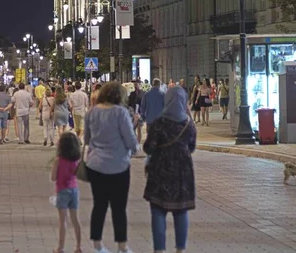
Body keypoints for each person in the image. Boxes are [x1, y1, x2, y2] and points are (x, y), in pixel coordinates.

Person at [85, 82, 138, 253]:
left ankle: (97, 245)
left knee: (99, 205)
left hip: (95, 165)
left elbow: (86, 139)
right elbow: (131, 140)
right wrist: (133, 149)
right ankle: (122, 246)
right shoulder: (120, 113)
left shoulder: (91, 112)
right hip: (119, 166)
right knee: (119, 207)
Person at [144, 86, 197, 253]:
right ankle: (180, 249)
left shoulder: (158, 123)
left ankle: (159, 249)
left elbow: (148, 148)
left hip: (160, 169)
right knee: (181, 210)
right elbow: (192, 146)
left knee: (158, 210)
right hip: (183, 171)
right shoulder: (188, 124)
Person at [50, 132, 83, 253]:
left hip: (62, 191)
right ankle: (78, 246)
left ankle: (60, 247)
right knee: (75, 219)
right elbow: (77, 174)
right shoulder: (76, 161)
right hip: (74, 190)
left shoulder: (58, 160)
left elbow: (53, 177)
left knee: (62, 220)